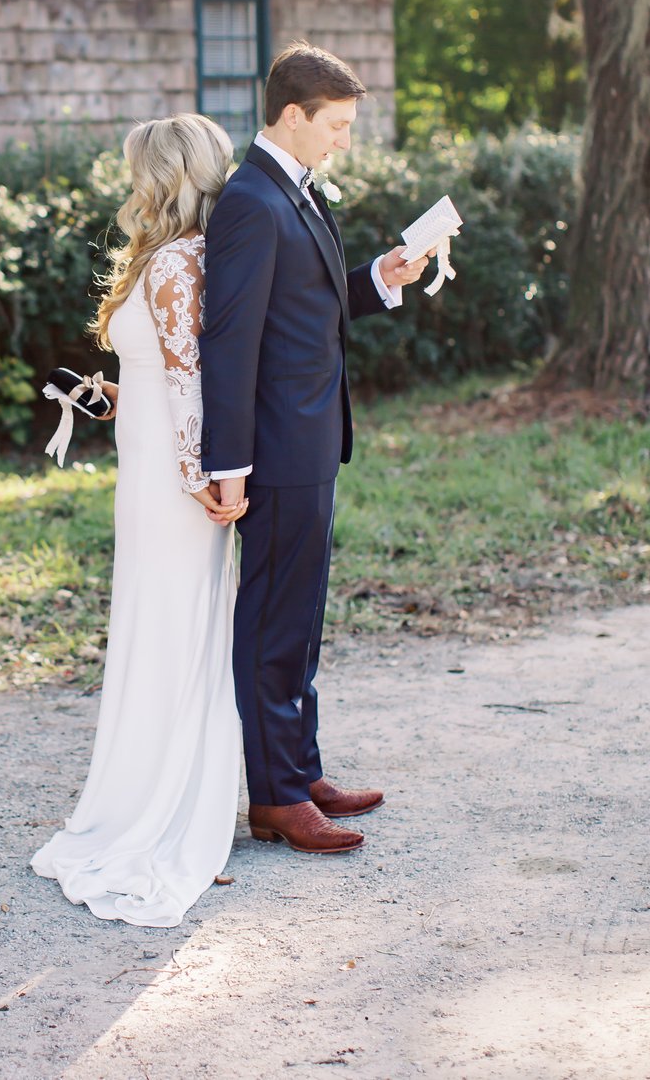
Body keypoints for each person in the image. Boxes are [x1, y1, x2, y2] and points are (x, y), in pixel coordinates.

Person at [200, 43, 429, 854]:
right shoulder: (249, 203)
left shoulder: (296, 191)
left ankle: (300, 769)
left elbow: (313, 309)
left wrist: (384, 276)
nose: (341, 140)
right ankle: (275, 798)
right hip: (272, 449)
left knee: (301, 620)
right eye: (334, 125)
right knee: (270, 622)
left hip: (316, 441)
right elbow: (228, 344)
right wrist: (226, 464)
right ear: (292, 116)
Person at [32, 114, 245, 928]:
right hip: (147, 460)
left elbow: (194, 381)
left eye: (137, 169)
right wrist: (107, 394)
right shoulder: (164, 257)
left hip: (173, 477)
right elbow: (161, 378)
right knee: (154, 623)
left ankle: (165, 801)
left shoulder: (181, 260)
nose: (130, 183)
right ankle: (141, 785)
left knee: (175, 625)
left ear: (163, 173)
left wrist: (203, 479)